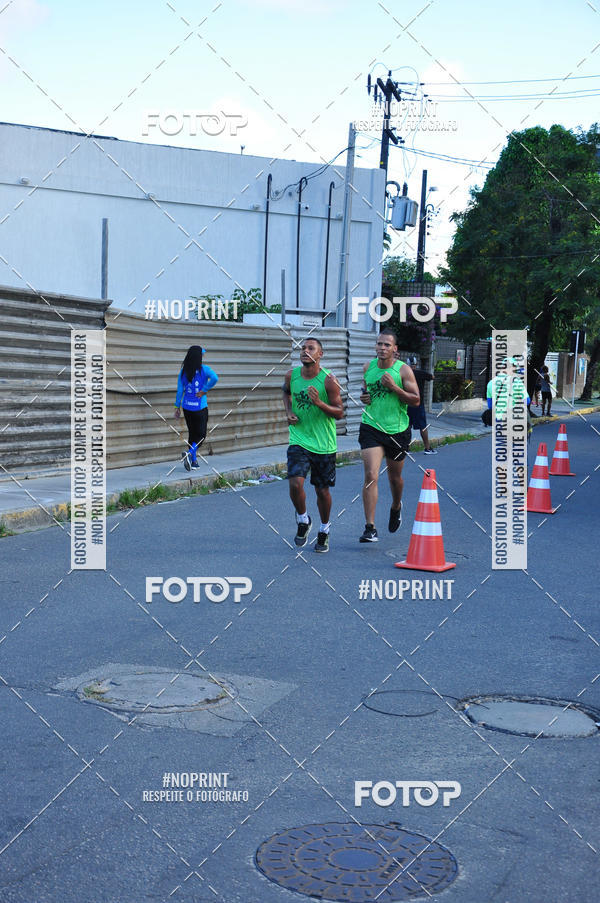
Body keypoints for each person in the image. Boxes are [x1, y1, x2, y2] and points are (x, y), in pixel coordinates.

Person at [358, 329, 420, 542]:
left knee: (395, 479)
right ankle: (370, 527)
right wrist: (364, 396)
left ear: (395, 349)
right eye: (379, 344)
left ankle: (396, 506)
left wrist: (394, 387)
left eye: (386, 345)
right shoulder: (368, 367)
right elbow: (366, 390)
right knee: (371, 475)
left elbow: (415, 400)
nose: (382, 348)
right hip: (371, 427)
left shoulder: (403, 371)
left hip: (397, 430)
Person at [282, 338, 343, 553]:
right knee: (295, 483)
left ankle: (324, 530)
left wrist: (318, 403)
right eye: (303, 348)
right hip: (299, 439)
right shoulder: (292, 375)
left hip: (324, 444)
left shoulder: (329, 381)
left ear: (320, 355)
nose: (305, 351)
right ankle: (303, 520)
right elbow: (286, 392)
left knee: (322, 491)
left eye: (311, 348)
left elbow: (339, 412)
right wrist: (288, 411)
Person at [174, 345, 219, 469]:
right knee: (201, 436)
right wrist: (204, 390)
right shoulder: (204, 369)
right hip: (200, 408)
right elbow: (215, 378)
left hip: (187, 408)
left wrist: (177, 407)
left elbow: (179, 390)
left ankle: (193, 462)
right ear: (199, 357)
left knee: (192, 434)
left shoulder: (183, 372)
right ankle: (189, 453)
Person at [407, 355, 436, 454]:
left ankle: (406, 449)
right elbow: (432, 377)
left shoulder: (403, 374)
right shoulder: (420, 373)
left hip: (406, 403)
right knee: (423, 426)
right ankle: (427, 448)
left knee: (407, 426)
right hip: (418, 403)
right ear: (416, 364)